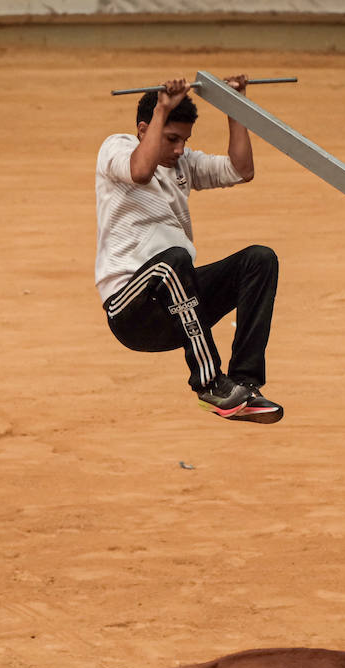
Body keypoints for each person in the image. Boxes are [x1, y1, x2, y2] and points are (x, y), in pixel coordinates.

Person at [94, 75, 283, 423]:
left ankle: (244, 385)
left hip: (180, 306)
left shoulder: (183, 164)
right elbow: (139, 170)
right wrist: (163, 106)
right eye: (171, 138)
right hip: (131, 309)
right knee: (173, 262)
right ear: (143, 129)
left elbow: (242, 170)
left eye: (184, 140)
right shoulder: (116, 148)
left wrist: (235, 105)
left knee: (260, 260)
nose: (180, 149)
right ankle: (210, 384)